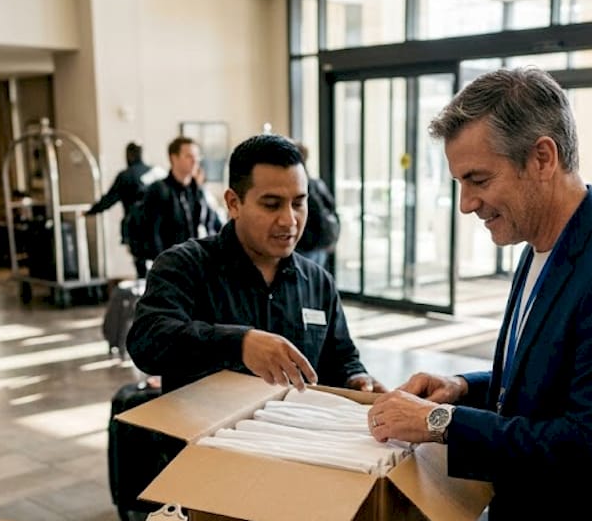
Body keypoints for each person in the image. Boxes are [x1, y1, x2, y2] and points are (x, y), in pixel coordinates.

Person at [366, 67, 592, 521]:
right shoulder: (544, 242)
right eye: (460, 183)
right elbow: (550, 379)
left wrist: (440, 422)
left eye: (478, 180)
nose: (466, 204)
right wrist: (462, 389)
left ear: (542, 158)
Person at [127, 134, 383, 395]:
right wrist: (239, 344)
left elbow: (342, 357)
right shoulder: (185, 266)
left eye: (298, 203)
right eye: (272, 205)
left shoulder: (318, 282)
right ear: (233, 204)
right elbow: (148, 341)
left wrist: (356, 378)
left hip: (293, 421)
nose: (289, 220)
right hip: (205, 421)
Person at [130, 136, 222, 274]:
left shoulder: (198, 192)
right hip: (170, 266)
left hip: (196, 264)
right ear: (174, 158)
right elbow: (152, 233)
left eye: (197, 156)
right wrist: (163, 265)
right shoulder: (159, 190)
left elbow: (211, 226)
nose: (195, 161)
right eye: (189, 156)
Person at [88, 142, 158, 278]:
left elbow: (110, 199)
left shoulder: (126, 175)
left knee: (141, 263)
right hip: (159, 226)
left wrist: (92, 211)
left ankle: (145, 284)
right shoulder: (156, 172)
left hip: (136, 227)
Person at [291, 141, 340, 273]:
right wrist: (332, 240)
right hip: (320, 245)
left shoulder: (300, 185)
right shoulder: (317, 183)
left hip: (305, 247)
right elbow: (333, 210)